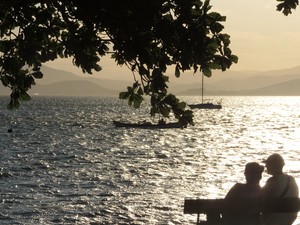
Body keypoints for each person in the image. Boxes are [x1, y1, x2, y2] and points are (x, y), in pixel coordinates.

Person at [261, 153, 299, 225]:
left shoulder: (273, 181)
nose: (266, 166)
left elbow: (259, 197)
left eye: (268, 164)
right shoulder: (291, 179)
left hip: (274, 220)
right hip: (288, 220)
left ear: (274, 166)